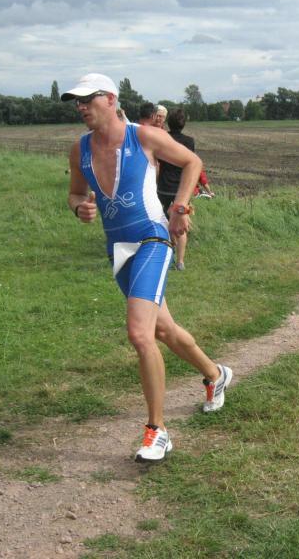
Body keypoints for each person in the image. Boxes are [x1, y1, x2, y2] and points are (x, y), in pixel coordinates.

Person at [63, 73, 232, 463]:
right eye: (77, 101)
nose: (81, 107)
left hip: (152, 238)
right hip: (117, 249)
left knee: (140, 334)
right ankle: (215, 375)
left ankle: (158, 431)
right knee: (163, 329)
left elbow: (192, 162)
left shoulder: (142, 136)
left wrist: (181, 207)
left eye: (88, 99)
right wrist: (79, 208)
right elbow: (74, 193)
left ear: (110, 99)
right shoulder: (80, 150)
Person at [158, 107, 195, 271]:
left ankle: (169, 254)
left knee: (165, 222)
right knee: (181, 223)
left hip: (164, 188)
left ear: (168, 122)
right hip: (182, 190)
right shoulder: (189, 141)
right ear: (183, 124)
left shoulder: (163, 138)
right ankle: (180, 262)